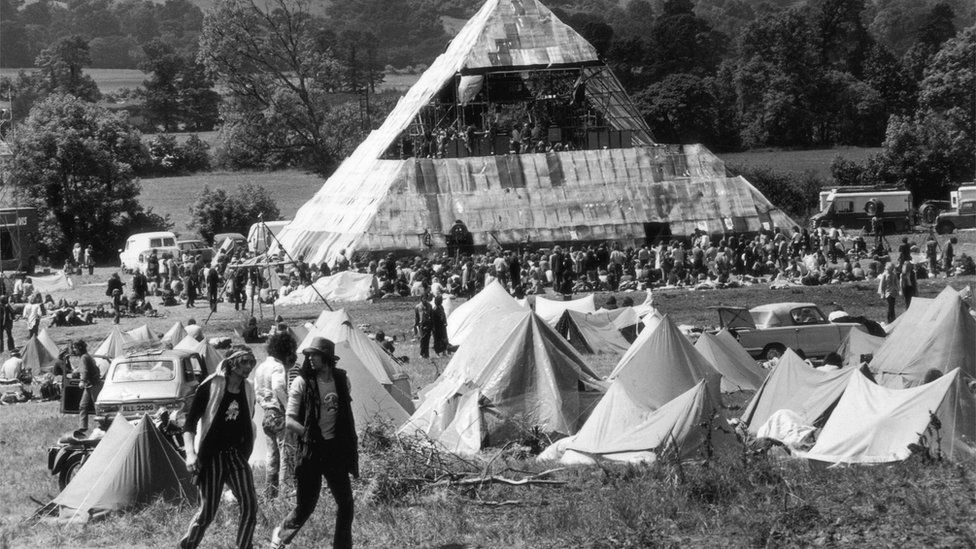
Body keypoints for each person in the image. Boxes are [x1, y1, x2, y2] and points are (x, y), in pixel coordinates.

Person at [271, 337, 357, 549]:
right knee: (306, 505)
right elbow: (290, 420)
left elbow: (344, 413)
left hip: (334, 450)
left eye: (314, 355)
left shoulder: (341, 380)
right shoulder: (302, 382)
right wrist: (310, 436)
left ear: (326, 357)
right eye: (307, 355)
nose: (309, 359)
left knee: (346, 502)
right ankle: (280, 536)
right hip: (311, 451)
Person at [179, 347, 258, 549]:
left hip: (235, 456)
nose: (249, 367)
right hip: (212, 456)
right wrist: (190, 454)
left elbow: (248, 423)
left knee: (250, 504)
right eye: (244, 362)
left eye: (251, 362)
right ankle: (186, 546)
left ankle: (244, 545)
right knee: (207, 512)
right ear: (232, 363)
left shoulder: (248, 389)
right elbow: (189, 424)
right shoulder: (211, 386)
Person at [255, 332, 297, 499]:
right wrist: (289, 409)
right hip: (279, 414)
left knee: (271, 457)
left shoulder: (260, 367)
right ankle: (286, 494)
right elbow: (279, 387)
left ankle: (269, 494)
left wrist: (266, 405)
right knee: (287, 454)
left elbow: (257, 392)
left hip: (266, 415)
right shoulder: (278, 367)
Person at [71, 340, 101, 433]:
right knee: (82, 405)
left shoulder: (84, 357)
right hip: (89, 385)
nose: (74, 350)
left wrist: (82, 381)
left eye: (75, 348)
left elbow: (85, 371)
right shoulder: (86, 356)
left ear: (80, 348)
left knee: (97, 406)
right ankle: (82, 427)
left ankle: (102, 424)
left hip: (93, 384)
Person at [414, 293, 433, 359]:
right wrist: (415, 326)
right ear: (421, 298)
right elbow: (417, 317)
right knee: (422, 339)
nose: (425, 300)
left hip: (428, 324)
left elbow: (431, 315)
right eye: (423, 298)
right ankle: (422, 353)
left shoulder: (430, 306)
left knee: (427, 339)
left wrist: (431, 324)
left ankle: (427, 354)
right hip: (421, 324)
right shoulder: (418, 307)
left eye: (426, 298)